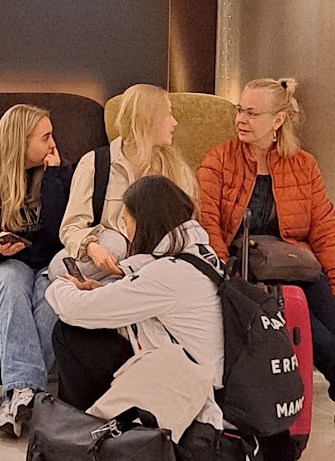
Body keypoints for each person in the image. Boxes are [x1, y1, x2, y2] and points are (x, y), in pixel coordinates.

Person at [197, 76, 335, 433]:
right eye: (240, 110)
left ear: (277, 120)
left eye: (252, 113)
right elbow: (207, 223)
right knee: (294, 302)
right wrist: (223, 277)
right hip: (243, 268)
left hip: (293, 263)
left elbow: (326, 232)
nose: (241, 119)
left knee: (317, 285)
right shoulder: (219, 160)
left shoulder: (303, 165)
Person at [46, 175, 224, 430]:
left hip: (187, 394)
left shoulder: (167, 275)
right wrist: (108, 287)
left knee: (71, 333)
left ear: (143, 222)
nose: (126, 231)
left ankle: (80, 430)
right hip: (205, 379)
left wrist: (61, 284)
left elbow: (78, 310)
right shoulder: (201, 254)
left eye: (126, 222)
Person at [0, 104, 73, 437]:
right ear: (20, 142)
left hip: (49, 262)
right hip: (9, 263)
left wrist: (52, 178)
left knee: (50, 296)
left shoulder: (61, 174)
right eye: (45, 137)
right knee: (12, 287)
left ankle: (17, 395)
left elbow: (59, 232)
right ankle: (29, 393)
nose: (53, 143)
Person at [48, 83, 196, 282]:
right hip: (102, 263)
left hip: (152, 268)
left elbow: (185, 231)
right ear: (148, 119)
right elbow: (70, 227)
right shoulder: (94, 163)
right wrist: (92, 247)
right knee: (61, 269)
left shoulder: (175, 168)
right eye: (168, 114)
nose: (174, 122)